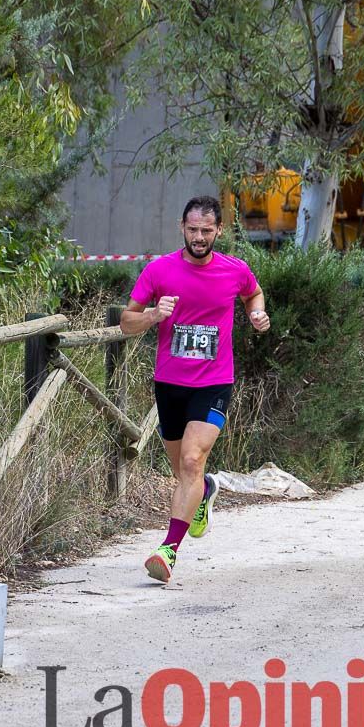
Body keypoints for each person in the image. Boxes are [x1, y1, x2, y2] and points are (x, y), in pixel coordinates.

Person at [120, 195, 270, 583]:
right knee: (183, 470)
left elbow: (253, 292)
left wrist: (256, 311)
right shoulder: (159, 271)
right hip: (170, 384)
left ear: (219, 230)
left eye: (206, 230)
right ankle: (205, 491)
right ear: (181, 228)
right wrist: (154, 315)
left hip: (214, 383)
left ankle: (168, 549)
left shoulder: (235, 271)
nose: (199, 237)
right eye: (192, 229)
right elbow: (126, 322)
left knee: (190, 461)